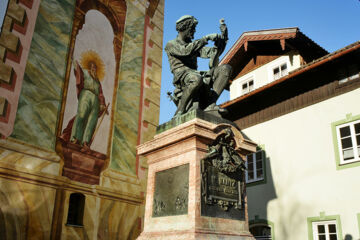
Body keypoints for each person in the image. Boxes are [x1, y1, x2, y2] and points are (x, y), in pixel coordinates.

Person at [165, 15, 232, 117]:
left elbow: (212, 52)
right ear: (184, 28)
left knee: (225, 69)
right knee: (196, 79)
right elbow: (186, 51)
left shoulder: (193, 45)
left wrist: (222, 39)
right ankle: (180, 110)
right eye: (192, 28)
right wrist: (206, 38)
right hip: (182, 76)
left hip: (195, 74)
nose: (194, 31)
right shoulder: (171, 44)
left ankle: (210, 104)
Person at [60, 50, 108, 152]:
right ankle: (75, 138)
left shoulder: (97, 81)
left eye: (95, 67)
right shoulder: (85, 73)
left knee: (92, 121)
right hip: (86, 94)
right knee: (81, 115)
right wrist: (73, 62)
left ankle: (85, 143)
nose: (94, 68)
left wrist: (102, 104)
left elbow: (100, 93)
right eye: (93, 66)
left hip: (95, 100)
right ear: (90, 66)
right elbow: (78, 72)